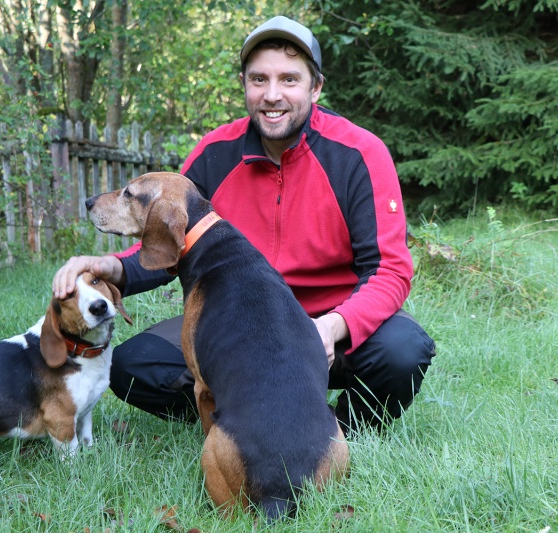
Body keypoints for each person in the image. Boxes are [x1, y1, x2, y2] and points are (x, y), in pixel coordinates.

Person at [52, 15, 436, 435]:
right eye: (259, 80)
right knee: (133, 366)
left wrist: (330, 327)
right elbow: (169, 239)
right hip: (238, 321)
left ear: (316, 87)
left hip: (330, 323)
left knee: (403, 350)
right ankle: (245, 420)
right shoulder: (214, 153)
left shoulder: (360, 154)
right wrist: (112, 268)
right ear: (244, 85)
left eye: (289, 79)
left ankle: (336, 430)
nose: (272, 95)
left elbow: (390, 270)